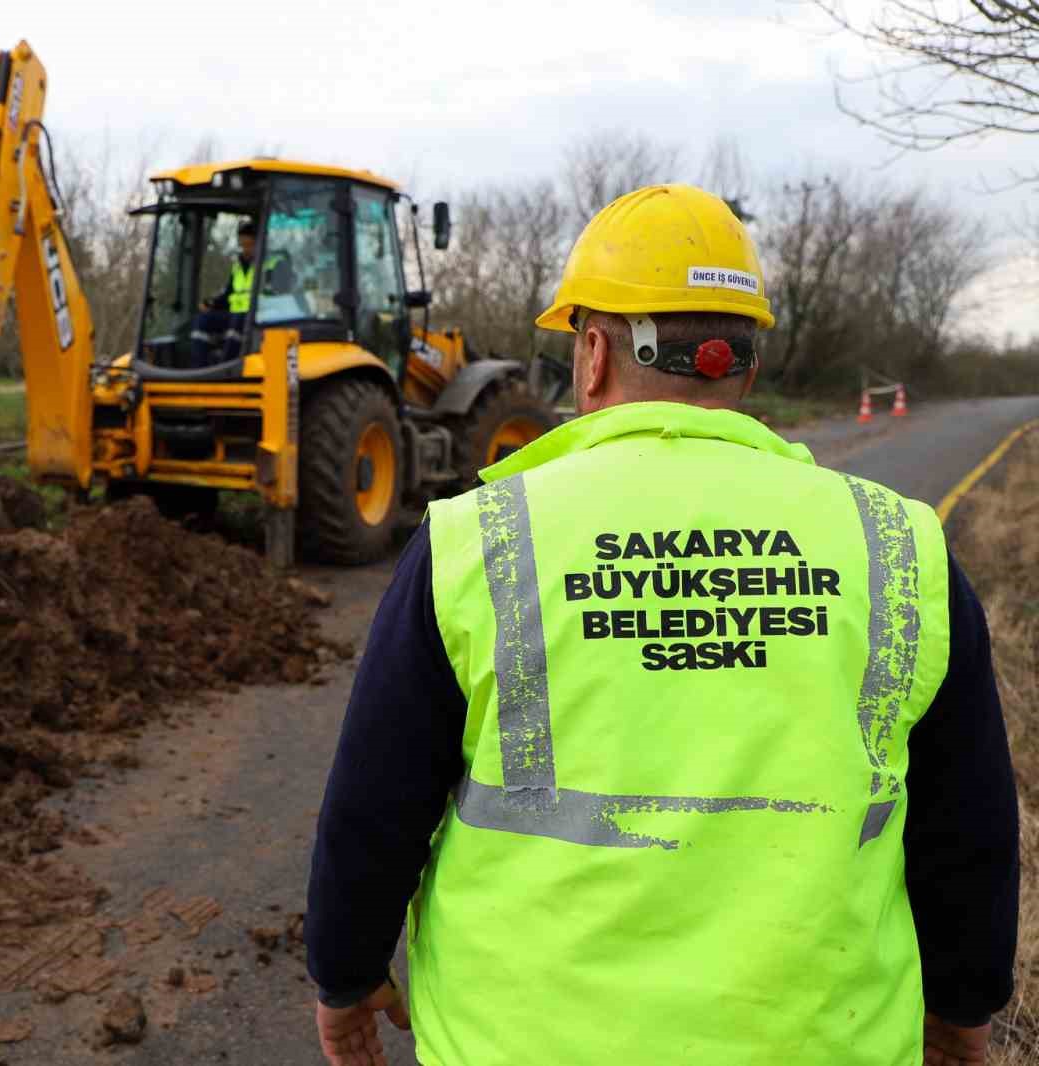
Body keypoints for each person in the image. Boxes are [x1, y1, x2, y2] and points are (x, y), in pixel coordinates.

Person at [305, 185, 1018, 1066]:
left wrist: (344, 973)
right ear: (745, 366)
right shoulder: (900, 545)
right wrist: (961, 1010)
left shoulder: (476, 540)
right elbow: (968, 828)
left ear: (593, 352)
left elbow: (376, 803)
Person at [190, 221, 294, 366]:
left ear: (261, 242)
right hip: (235, 315)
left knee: (237, 322)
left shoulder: (275, 264)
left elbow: (281, 297)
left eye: (250, 245)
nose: (246, 249)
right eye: (243, 245)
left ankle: (227, 366)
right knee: (203, 320)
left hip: (260, 318)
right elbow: (229, 294)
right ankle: (198, 368)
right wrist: (211, 303)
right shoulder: (238, 266)